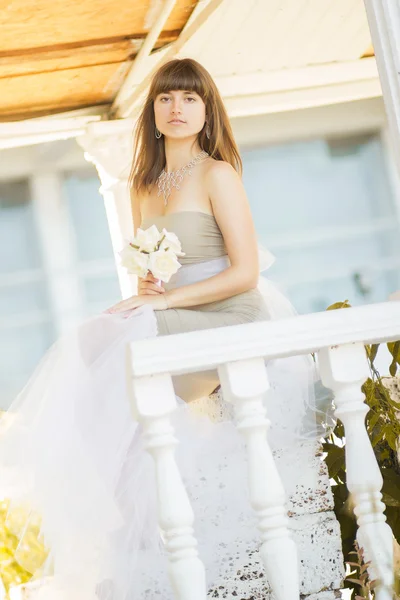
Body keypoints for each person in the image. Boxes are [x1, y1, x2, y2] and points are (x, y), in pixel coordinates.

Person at [0, 59, 330, 600]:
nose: (177, 109)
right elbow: (153, 277)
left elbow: (245, 272)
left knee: (114, 351)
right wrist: (142, 299)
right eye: (166, 99)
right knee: (95, 343)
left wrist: (165, 302)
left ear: (207, 112)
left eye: (190, 99)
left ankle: (134, 520)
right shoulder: (143, 185)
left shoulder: (216, 174)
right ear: (153, 112)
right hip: (175, 312)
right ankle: (131, 514)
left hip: (230, 313)